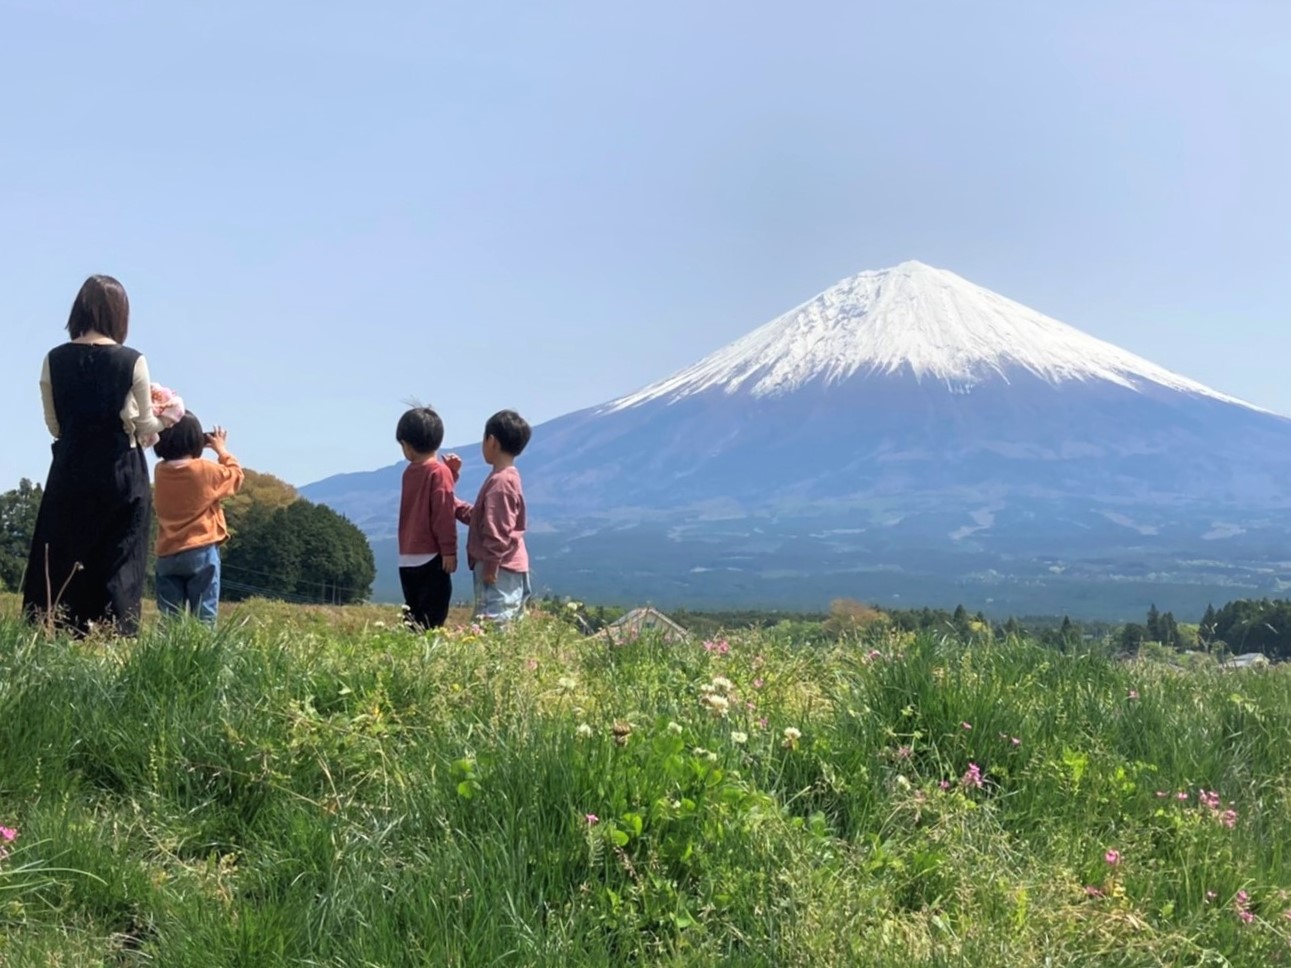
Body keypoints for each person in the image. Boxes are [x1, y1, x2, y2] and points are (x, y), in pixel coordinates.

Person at [22, 275, 173, 636]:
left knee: (60, 556)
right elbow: (145, 426)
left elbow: (54, 425)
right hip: (121, 470)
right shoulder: (132, 361)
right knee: (119, 560)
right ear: (120, 314)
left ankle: (50, 631)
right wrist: (167, 418)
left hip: (69, 468)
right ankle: (113, 638)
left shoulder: (53, 359)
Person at [153, 415, 245, 624]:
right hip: (200, 549)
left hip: (167, 552)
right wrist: (221, 449)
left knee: (169, 619)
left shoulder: (160, 471)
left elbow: (180, 463)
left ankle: (166, 655)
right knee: (204, 615)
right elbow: (236, 476)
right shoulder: (204, 469)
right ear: (195, 440)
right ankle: (202, 655)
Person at [455, 410, 532, 625]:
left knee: (492, 622)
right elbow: (485, 517)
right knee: (508, 622)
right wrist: (455, 505)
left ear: (492, 441)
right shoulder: (509, 477)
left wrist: (491, 565)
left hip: (500, 569)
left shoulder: (500, 483)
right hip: (511, 565)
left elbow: (497, 529)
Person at [395, 407, 462, 630]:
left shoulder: (409, 472)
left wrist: (449, 475)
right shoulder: (439, 472)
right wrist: (449, 550)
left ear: (408, 446)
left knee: (413, 617)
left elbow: (425, 502)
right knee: (432, 618)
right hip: (431, 557)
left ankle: (408, 657)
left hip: (407, 558)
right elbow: (442, 511)